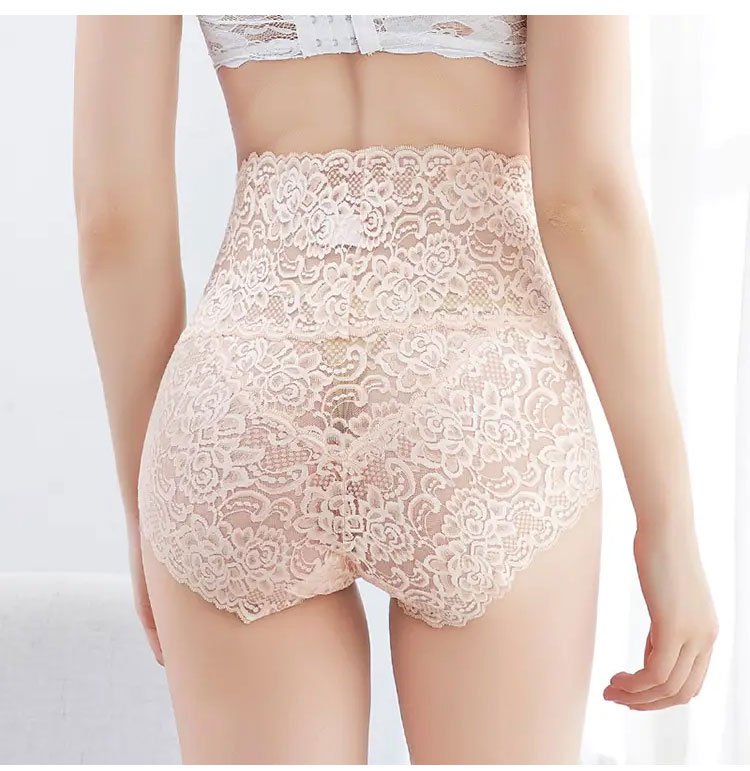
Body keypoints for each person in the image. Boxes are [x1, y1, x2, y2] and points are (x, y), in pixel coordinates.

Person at [73, 14, 718, 764]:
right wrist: (666, 521)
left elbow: (115, 224)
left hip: (237, 405)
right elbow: (585, 204)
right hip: (480, 403)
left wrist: (144, 506)